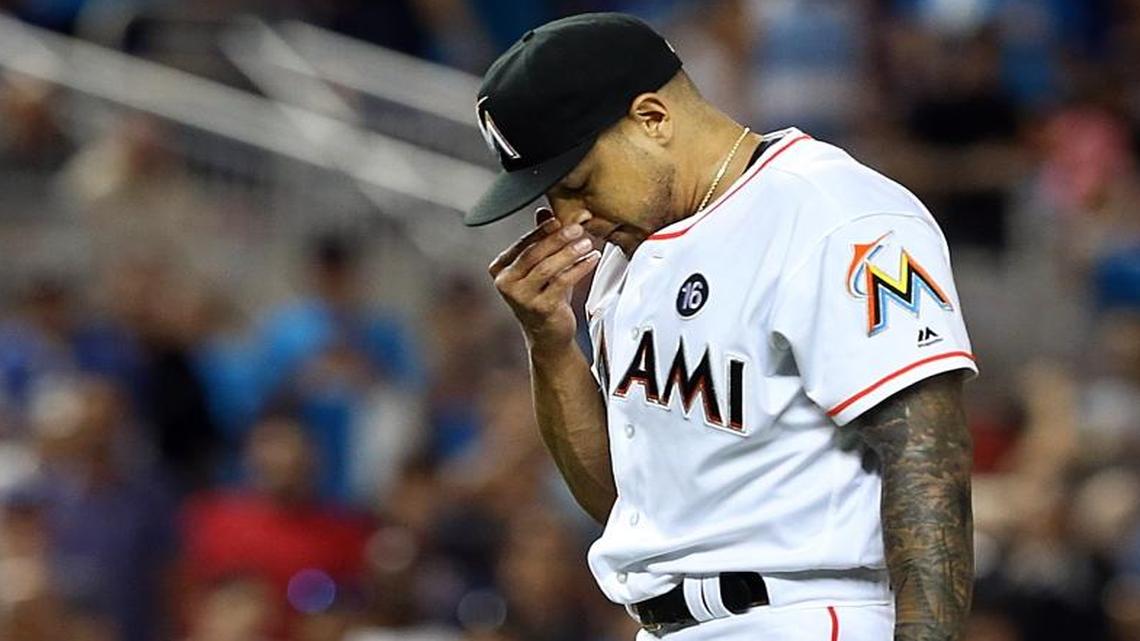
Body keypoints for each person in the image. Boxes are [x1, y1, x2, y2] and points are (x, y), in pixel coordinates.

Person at [464, 13, 977, 641]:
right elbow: (626, 508)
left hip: (807, 614)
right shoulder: (625, 264)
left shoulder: (835, 213)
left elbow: (928, 460)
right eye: (548, 198)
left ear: (653, 118)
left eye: (577, 184)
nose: (568, 219)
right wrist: (550, 345)